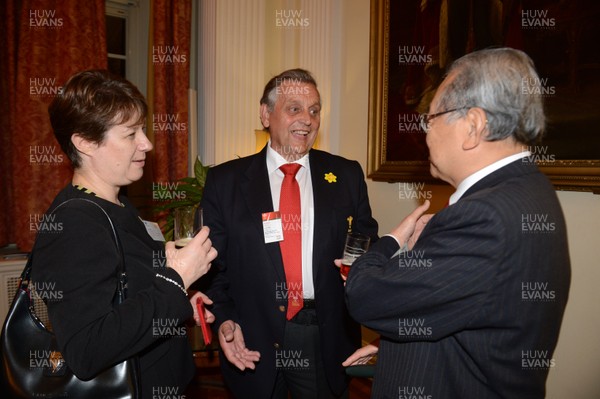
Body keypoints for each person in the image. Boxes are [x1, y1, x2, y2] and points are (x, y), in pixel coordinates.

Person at [345, 48, 571, 398]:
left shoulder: (483, 217)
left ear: (473, 126)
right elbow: (475, 311)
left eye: (431, 119)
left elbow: (364, 297)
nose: (425, 132)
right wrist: (393, 346)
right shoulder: (529, 189)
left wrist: (389, 243)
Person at [31, 70, 218, 397]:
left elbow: (128, 293)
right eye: (130, 133)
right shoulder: (76, 223)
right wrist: (176, 280)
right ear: (85, 142)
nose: (146, 143)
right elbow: (86, 350)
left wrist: (182, 297)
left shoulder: (118, 205)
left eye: (142, 129)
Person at [200, 68, 378, 398]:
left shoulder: (346, 175)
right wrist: (224, 319)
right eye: (294, 108)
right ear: (265, 114)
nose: (307, 120)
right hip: (250, 334)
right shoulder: (225, 182)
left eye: (314, 110)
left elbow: (365, 247)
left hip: (322, 332)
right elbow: (212, 265)